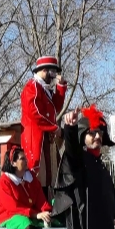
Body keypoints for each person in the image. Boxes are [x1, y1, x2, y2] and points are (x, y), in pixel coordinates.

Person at [20, 55, 67, 199]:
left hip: (47, 139)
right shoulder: (32, 86)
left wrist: (61, 87)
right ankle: (38, 208)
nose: (53, 77)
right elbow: (35, 113)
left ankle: (47, 205)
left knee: (50, 175)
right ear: (43, 70)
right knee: (36, 174)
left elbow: (56, 107)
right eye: (52, 73)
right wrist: (54, 128)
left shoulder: (44, 89)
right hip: (37, 138)